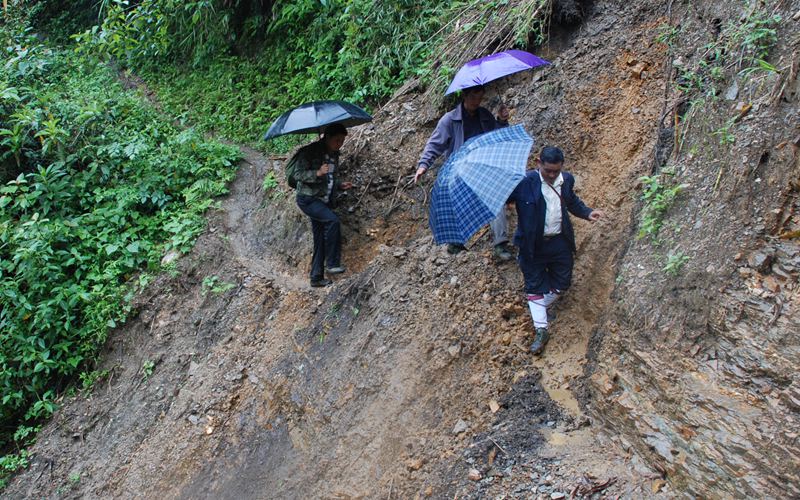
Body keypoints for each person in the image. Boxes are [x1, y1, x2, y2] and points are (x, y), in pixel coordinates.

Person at [507, 146, 603, 354]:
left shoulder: (566, 180)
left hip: (559, 241)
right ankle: (541, 329)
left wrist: (587, 213)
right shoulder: (524, 182)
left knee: (563, 282)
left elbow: (572, 202)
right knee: (534, 285)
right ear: (538, 163)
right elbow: (503, 198)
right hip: (531, 244)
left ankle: (538, 305)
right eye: (548, 170)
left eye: (555, 171)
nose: (551, 175)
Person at [414, 85, 514, 260]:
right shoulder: (450, 120)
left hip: (482, 166)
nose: (477, 102)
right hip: (459, 169)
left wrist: (501, 121)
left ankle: (500, 244)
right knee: (457, 202)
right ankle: (455, 243)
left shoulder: (485, 116)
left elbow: (496, 137)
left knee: (496, 199)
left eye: (480, 98)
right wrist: (424, 164)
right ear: (465, 96)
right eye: (474, 98)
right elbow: (435, 144)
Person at [292, 123, 354, 287]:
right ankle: (333, 264)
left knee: (319, 238)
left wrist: (339, 185)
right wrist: (317, 173)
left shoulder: (334, 154)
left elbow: (331, 176)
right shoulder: (309, 152)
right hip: (308, 199)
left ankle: (316, 277)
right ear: (327, 138)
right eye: (337, 140)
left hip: (323, 201)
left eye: (342, 141)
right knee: (332, 221)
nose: (339, 144)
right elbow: (297, 174)